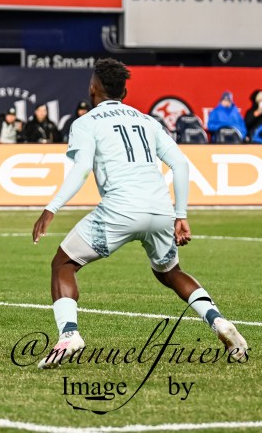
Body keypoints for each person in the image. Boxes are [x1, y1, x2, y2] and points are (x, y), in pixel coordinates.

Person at [32, 59, 248, 368]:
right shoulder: (147, 121)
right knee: (170, 272)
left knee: (63, 263)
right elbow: (180, 164)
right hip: (160, 210)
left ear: (93, 88)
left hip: (120, 209)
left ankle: (69, 336)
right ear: (124, 91)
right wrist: (180, 214)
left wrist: (51, 208)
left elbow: (81, 169)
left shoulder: (86, 122)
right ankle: (218, 320)